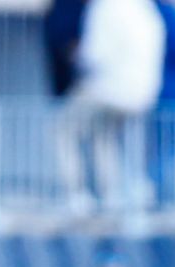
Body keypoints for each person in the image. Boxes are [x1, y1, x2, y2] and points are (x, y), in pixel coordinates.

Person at [60, 0, 165, 211]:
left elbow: (94, 54)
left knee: (63, 131)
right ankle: (110, 193)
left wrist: (75, 56)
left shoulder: (105, 7)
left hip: (108, 89)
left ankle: (75, 192)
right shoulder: (145, 7)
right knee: (103, 136)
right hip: (144, 91)